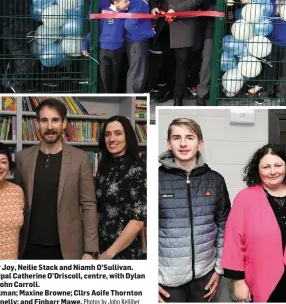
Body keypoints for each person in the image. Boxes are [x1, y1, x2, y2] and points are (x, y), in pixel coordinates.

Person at [221, 145, 286, 302]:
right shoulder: (245, 198)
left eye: (278, 165)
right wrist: (238, 281)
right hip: (259, 281)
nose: (273, 171)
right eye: (266, 167)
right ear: (257, 170)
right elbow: (233, 241)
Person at [13, 98, 99, 260]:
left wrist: (91, 250)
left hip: (68, 249)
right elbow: (15, 201)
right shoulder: (23, 158)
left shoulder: (80, 158)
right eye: (44, 120)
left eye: (55, 120)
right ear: (36, 124)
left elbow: (88, 205)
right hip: (28, 247)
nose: (50, 127)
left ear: (64, 123)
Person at [158, 118, 230, 303]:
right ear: (169, 143)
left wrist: (219, 269)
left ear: (200, 143)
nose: (183, 143)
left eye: (189, 137)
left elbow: (224, 226)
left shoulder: (215, 181)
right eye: (176, 138)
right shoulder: (155, 179)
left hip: (206, 276)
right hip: (166, 280)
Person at [153, 0, 205, 105]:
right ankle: (169, 89)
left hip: (183, 24)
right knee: (167, 60)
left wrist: (177, 9)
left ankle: (178, 97)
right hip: (164, 24)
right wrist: (153, 6)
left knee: (182, 61)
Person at [95, 116, 146, 260]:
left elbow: (137, 222)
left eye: (118, 133)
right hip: (101, 246)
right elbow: (99, 208)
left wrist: (110, 253)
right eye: (107, 134)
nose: (112, 139)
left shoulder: (138, 169)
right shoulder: (104, 168)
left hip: (123, 251)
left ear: (127, 136)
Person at [82, 0, 130, 93]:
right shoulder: (104, 14)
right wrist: (85, 44)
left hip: (118, 51)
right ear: (116, 3)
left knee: (115, 78)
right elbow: (95, 31)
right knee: (104, 78)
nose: (128, 3)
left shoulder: (125, 15)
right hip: (104, 51)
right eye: (126, 1)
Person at [0, 0, 37, 92]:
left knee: (19, 63)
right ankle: (14, 83)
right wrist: (28, 28)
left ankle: (7, 84)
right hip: (12, 36)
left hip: (22, 34)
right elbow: (10, 20)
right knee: (25, 62)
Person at [124, 0, 156, 93]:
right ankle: (133, 100)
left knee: (138, 72)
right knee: (137, 73)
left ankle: (135, 99)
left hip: (137, 41)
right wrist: (147, 33)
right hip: (136, 42)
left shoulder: (139, 1)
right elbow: (129, 25)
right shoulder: (137, 3)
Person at [195, 0, 219, 106]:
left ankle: (218, 90)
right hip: (209, 28)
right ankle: (202, 93)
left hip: (225, 28)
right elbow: (204, 8)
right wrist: (222, 7)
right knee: (208, 60)